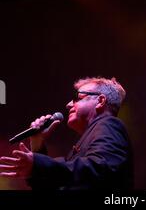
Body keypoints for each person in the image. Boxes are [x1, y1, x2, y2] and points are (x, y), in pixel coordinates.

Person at [0, 76, 134, 190]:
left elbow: (99, 170)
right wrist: (37, 143)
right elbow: (59, 185)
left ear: (100, 101)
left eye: (78, 98)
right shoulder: (93, 134)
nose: (69, 104)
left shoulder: (108, 124)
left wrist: (39, 164)